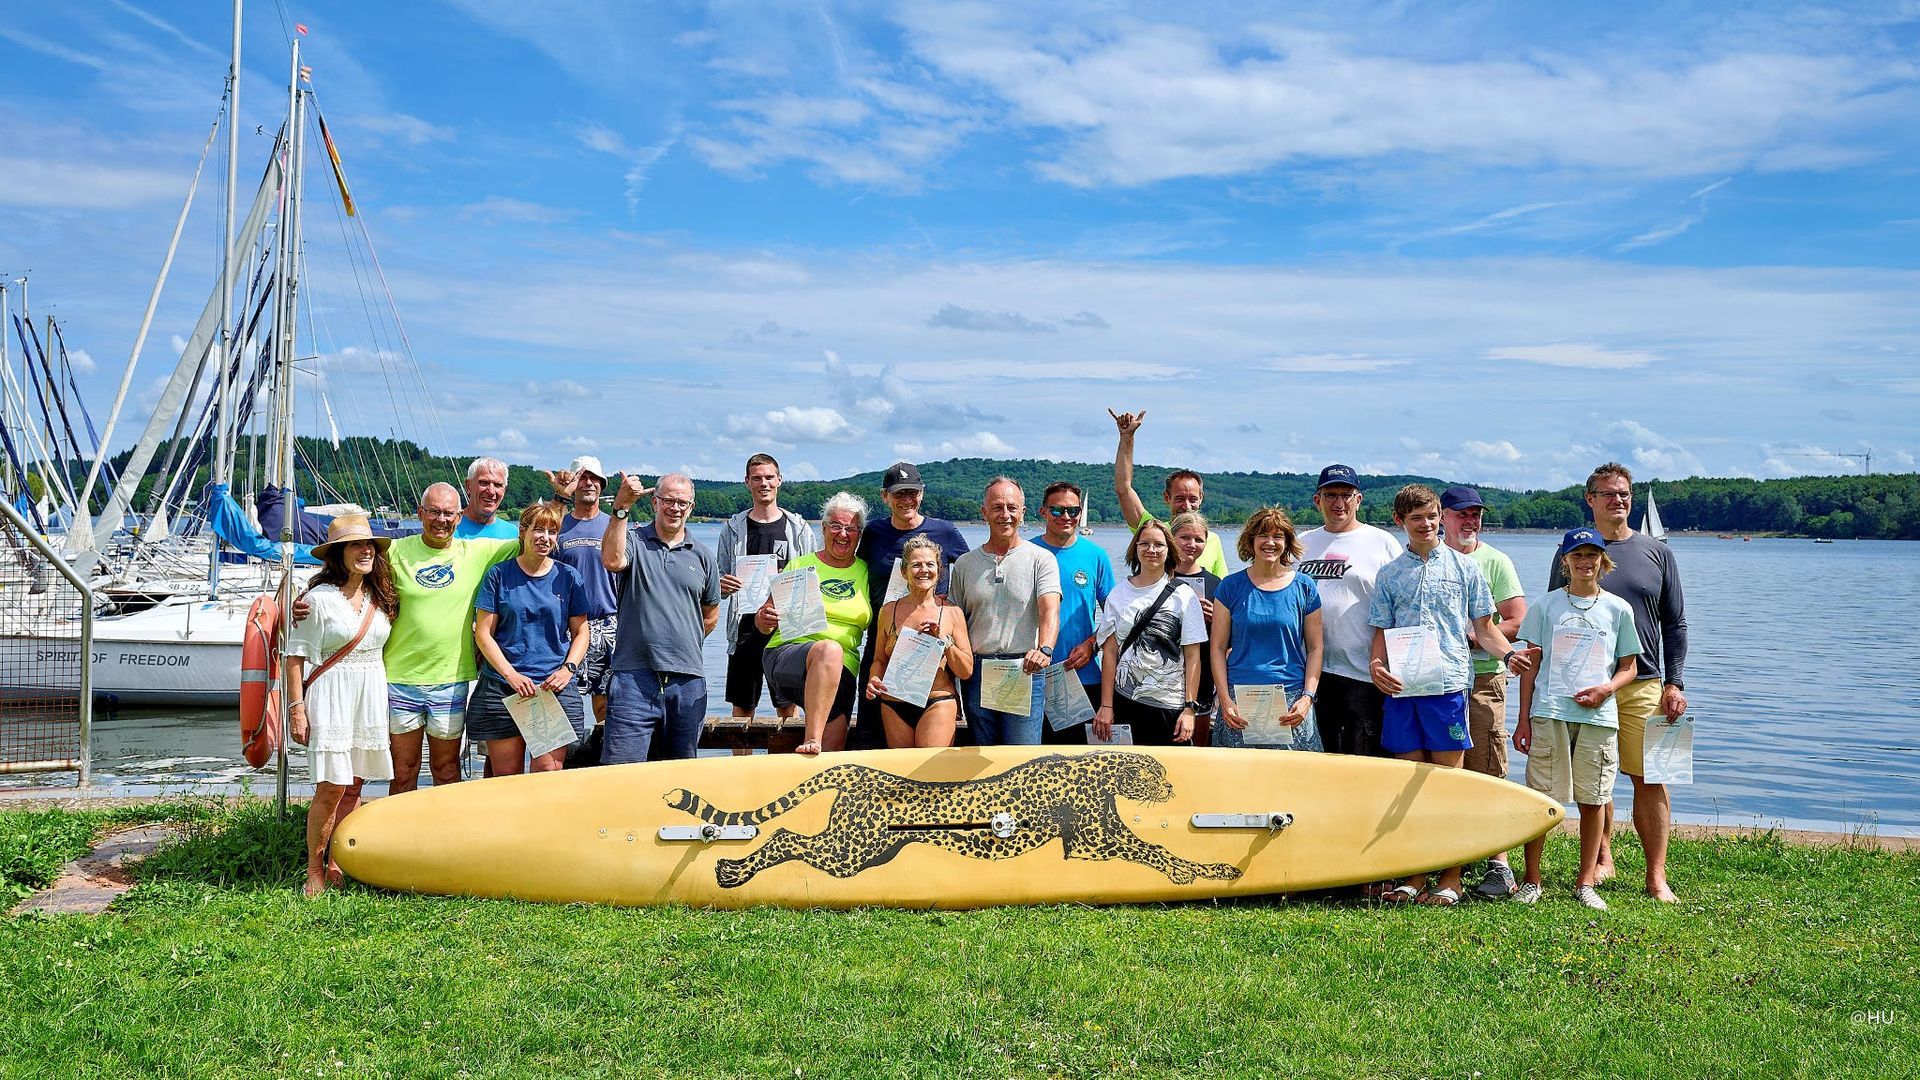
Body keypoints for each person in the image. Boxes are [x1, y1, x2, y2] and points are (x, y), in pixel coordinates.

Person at [1368, 484, 1532, 906]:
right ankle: (1416, 874)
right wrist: (1376, 667)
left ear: (1441, 517)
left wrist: (1509, 655)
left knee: (1448, 784)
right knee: (1410, 783)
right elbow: (1381, 634)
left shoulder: (1466, 569)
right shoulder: (1388, 575)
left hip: (1448, 687)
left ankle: (1452, 876)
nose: (1427, 524)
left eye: (1432, 516)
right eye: (1417, 518)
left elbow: (1484, 628)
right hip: (1404, 690)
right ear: (1400, 522)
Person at [1551, 463, 1689, 903]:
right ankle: (1603, 857)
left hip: (1645, 683)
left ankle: (1656, 875)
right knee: (1597, 776)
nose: (1619, 501)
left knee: (1654, 777)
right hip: (1586, 687)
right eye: (1608, 494)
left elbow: (1676, 623)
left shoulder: (1658, 552)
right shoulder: (1570, 550)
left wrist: (1676, 682)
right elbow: (1556, 616)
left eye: (1625, 494)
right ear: (1590, 499)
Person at [1512, 527, 1642, 910]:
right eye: (1577, 555)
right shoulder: (1545, 605)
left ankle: (1585, 883)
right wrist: (1522, 719)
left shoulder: (1618, 608)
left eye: (1592, 555)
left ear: (1604, 561)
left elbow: (1630, 667)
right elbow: (1530, 668)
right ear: (1565, 561)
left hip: (1598, 715)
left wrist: (1605, 690)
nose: (1584, 562)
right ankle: (1531, 880)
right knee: (1541, 799)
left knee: (1594, 799)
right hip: (1549, 712)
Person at [284, 514, 397, 897]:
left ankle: (339, 861)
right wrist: (296, 709)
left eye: (369, 545)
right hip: (332, 694)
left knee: (355, 785)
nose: (365, 551)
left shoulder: (380, 595)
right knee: (331, 787)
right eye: (355, 545)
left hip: (368, 693)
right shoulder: (316, 600)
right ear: (337, 553)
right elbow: (295, 656)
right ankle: (314, 869)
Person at [382, 482, 517, 794]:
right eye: (434, 512)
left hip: (451, 680)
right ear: (419, 513)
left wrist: (562, 498)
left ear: (460, 517)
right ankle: (401, 839)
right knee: (403, 771)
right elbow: (349, 570)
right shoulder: (394, 551)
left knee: (446, 770)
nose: (441, 520)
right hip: (400, 679)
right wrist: (310, 597)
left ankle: (444, 839)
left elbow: (533, 537)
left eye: (448, 514)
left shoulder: (477, 552)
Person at [1439, 485, 1529, 900]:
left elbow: (1515, 619)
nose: (1469, 521)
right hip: (1433, 682)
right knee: (1441, 770)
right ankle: (1444, 853)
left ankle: (1500, 864)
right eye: (1461, 514)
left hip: (1483, 678)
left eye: (1475, 514)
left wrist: (1479, 637)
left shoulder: (1495, 560)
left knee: (1488, 764)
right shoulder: (1430, 559)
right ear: (1442, 516)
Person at [599, 472, 721, 763]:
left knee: (680, 777)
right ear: (655, 502)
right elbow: (612, 560)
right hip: (633, 677)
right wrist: (621, 507)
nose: (674, 508)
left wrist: (679, 642)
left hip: (688, 680)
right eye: (668, 500)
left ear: (691, 507)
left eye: (682, 502)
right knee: (621, 773)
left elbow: (711, 615)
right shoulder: (634, 541)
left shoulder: (703, 556)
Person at [469, 502, 592, 776]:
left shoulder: (568, 577)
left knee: (547, 775)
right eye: (538, 529)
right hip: (505, 687)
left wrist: (568, 669)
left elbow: (581, 631)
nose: (545, 537)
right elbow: (483, 633)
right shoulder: (499, 575)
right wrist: (511, 675)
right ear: (523, 532)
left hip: (551, 689)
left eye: (552, 531)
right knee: (507, 778)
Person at [852, 462, 970, 747]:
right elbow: (852, 570)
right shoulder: (874, 533)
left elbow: (971, 572)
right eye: (899, 493)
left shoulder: (944, 531)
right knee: (871, 736)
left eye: (912, 492)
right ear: (885, 497)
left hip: (934, 645)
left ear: (922, 494)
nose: (906, 499)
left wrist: (952, 613)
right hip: (886, 632)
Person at [1298, 464, 1403, 757]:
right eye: (1330, 494)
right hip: (1310, 673)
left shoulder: (1382, 542)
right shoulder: (1302, 543)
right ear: (1317, 500)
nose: (1338, 503)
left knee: (1364, 758)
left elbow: (1401, 604)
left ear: (1359, 499)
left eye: (1346, 494)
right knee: (1318, 759)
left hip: (1364, 673)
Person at [946, 477, 1061, 745]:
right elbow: (954, 623)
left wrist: (1045, 648)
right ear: (984, 512)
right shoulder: (964, 564)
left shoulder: (1041, 559)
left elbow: (1049, 610)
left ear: (1023, 512)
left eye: (1012, 507)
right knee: (980, 757)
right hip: (976, 671)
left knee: (1022, 758)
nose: (1005, 515)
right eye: (997, 507)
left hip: (1025, 668)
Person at [755, 493, 869, 755]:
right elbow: (765, 622)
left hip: (842, 671)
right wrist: (764, 619)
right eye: (836, 526)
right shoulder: (801, 564)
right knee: (828, 649)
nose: (843, 534)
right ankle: (812, 739)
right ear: (824, 528)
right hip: (788, 654)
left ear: (859, 533)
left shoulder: (865, 571)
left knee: (832, 756)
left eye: (850, 528)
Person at [1209, 507, 1325, 752]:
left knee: (1294, 779)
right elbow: (1218, 648)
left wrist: (1307, 698)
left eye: (1278, 536)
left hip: (1292, 698)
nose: (1270, 542)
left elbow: (1316, 648)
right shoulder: (1230, 587)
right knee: (1239, 779)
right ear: (1250, 541)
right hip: (1239, 700)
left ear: (1287, 543)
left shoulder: (1305, 587)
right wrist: (1224, 699)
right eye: (1263, 535)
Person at [716, 454, 817, 722]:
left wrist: (794, 580)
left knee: (787, 705)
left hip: (786, 627)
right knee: (742, 706)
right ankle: (739, 765)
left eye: (769, 477)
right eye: (757, 478)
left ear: (779, 480)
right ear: (747, 482)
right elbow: (718, 581)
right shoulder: (733, 528)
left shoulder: (798, 528)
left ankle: (784, 763)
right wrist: (723, 585)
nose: (764, 483)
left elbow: (812, 578)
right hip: (744, 626)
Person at [1094, 519, 1206, 745]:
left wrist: (1189, 709)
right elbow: (1110, 653)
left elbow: (1193, 657)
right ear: (1135, 549)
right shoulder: (1118, 593)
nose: (1151, 550)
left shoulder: (1184, 596)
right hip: (1125, 702)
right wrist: (1106, 705)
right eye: (1144, 544)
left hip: (1170, 708)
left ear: (1169, 550)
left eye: (1158, 544)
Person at [868, 536, 976, 748]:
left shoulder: (952, 612)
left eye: (930, 564)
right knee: (902, 771)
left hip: (937, 701)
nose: (924, 570)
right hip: (894, 704)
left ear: (939, 570)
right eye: (916, 565)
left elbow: (966, 671)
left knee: (932, 772)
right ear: (904, 571)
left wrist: (944, 642)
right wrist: (873, 679)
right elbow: (879, 660)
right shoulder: (889, 610)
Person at [1033, 481, 1115, 742]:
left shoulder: (1096, 556)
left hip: (1082, 674)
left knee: (1079, 762)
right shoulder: (1027, 553)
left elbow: (1114, 617)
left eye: (1073, 511)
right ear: (1043, 512)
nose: (1066, 517)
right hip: (1033, 675)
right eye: (1057, 510)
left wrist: (1092, 644)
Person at [546, 456, 621, 739]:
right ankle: (564, 763)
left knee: (605, 704)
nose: (588, 483)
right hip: (566, 626)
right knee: (563, 701)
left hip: (608, 623)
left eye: (594, 479)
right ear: (573, 484)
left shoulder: (613, 525)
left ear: (602, 486)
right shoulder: (556, 527)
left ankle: (603, 761)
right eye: (582, 478)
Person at [1109, 408, 1230, 577]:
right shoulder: (1152, 530)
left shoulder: (1212, 540)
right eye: (1180, 498)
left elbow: (1220, 588)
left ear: (1201, 498)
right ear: (1167, 497)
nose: (1187, 506)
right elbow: (1124, 488)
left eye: (1193, 499)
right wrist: (1127, 437)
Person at [1169, 510, 1222, 743]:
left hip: (1202, 677)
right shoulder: (1157, 579)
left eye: (1199, 539)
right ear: (1172, 538)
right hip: (1161, 676)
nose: (1192, 544)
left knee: (1197, 745)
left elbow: (1226, 642)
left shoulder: (1216, 584)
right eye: (1185, 538)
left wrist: (1216, 619)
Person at [454, 457, 518, 540]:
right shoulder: (447, 528)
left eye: (498, 485)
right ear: (468, 486)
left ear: (504, 491)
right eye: (484, 483)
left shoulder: (513, 535)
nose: (491, 492)